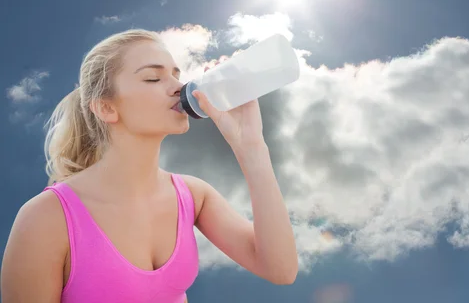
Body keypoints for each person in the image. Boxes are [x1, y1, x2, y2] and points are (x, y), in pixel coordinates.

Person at [1, 29, 298, 302]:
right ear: (106, 107)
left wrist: (252, 149)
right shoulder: (46, 218)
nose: (178, 87)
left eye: (176, 75)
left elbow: (280, 270)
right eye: (153, 78)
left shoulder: (193, 196)